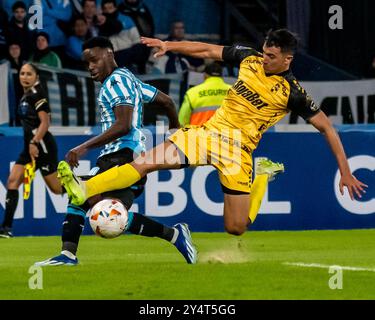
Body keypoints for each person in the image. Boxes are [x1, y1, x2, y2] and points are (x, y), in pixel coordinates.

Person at [56, 30, 367, 245]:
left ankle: (260, 178)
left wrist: (345, 170)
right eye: (265, 51)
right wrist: (169, 45)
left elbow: (327, 127)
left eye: (272, 56)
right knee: (145, 163)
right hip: (208, 134)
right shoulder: (249, 58)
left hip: (238, 153)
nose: (265, 59)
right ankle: (85, 187)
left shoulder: (293, 93)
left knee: (235, 228)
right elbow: (206, 49)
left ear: (287, 60)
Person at [35, 36, 197, 265]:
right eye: (87, 63)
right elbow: (168, 101)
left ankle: (68, 255)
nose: (90, 67)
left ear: (109, 54)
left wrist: (83, 147)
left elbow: (124, 125)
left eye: (93, 60)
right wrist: (175, 132)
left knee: (99, 207)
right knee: (92, 202)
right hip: (127, 156)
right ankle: (68, 255)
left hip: (122, 155)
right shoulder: (129, 79)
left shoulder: (115, 82)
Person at [0, 63, 63, 238]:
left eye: (29, 74)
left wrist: (34, 142)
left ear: (36, 77)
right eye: (22, 73)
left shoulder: (37, 95)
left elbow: (45, 122)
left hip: (42, 146)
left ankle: (88, 190)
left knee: (57, 189)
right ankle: (6, 228)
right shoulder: (27, 95)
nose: (25, 77)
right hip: (29, 147)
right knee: (13, 180)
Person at [178, 62, 231, 126]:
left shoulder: (192, 93)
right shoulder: (234, 91)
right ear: (221, 76)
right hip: (225, 134)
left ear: (205, 75)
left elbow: (182, 121)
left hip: (199, 134)